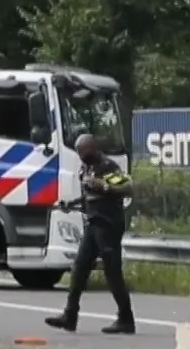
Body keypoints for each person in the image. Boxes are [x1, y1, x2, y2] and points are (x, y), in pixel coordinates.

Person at [46, 134, 135, 335]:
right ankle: (70, 316)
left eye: (84, 152)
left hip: (109, 225)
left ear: (94, 149)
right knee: (79, 269)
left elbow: (127, 188)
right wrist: (71, 204)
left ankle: (126, 318)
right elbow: (89, 197)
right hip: (93, 225)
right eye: (79, 153)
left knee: (112, 273)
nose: (81, 157)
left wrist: (105, 186)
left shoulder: (107, 166)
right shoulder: (86, 168)